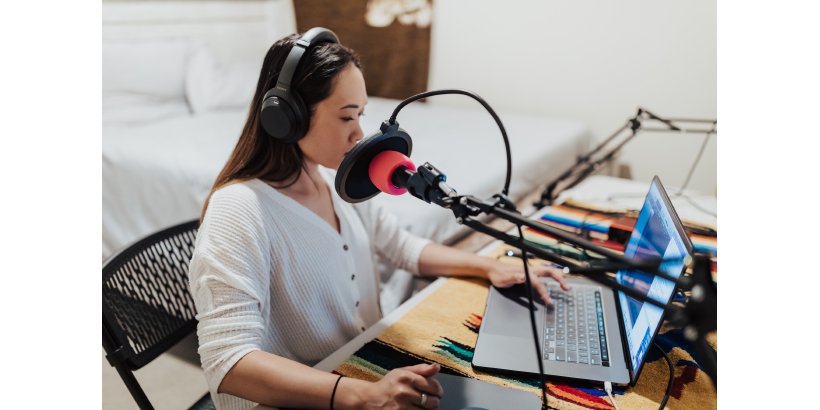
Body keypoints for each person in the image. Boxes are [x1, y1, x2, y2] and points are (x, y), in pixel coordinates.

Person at [188, 32, 570, 410]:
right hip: (306, 396)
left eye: (361, 115)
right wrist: (364, 395)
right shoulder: (239, 210)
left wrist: (490, 266)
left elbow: (400, 246)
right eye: (345, 117)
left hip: (358, 366)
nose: (359, 134)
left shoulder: (335, 182)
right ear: (287, 119)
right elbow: (229, 364)